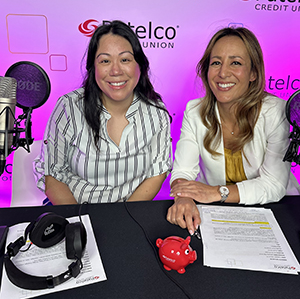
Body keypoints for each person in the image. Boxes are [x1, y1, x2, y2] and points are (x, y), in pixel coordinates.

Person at [167, 26, 299, 235]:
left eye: (235, 63)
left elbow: (273, 185)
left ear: (253, 73)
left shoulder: (276, 112)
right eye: (216, 62)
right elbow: (183, 170)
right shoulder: (194, 111)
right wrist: (184, 197)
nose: (223, 73)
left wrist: (216, 192)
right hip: (216, 215)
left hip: (275, 210)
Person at [34, 20, 172, 205]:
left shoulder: (157, 112)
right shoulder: (68, 107)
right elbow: (53, 175)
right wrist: (80, 225)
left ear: (140, 65)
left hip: (131, 212)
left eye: (125, 60)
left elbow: (157, 172)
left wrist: (124, 219)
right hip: (74, 209)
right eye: (105, 61)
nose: (115, 70)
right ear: (93, 68)